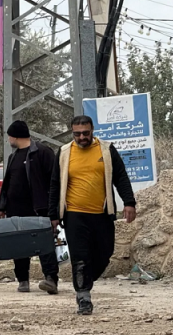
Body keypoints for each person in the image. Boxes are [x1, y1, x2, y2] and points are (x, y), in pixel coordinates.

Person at [49, 115, 136, 315]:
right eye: (77, 134)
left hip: (102, 214)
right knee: (80, 258)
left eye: (85, 133)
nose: (82, 137)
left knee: (104, 254)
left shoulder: (106, 149)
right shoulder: (63, 153)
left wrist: (129, 202)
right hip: (74, 215)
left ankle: (85, 281)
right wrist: (53, 214)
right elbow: (55, 184)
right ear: (72, 133)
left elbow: (120, 176)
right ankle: (84, 297)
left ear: (92, 130)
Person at [0, 121, 59, 294]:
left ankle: (51, 279)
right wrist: (1, 207)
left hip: (38, 209)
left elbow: (54, 183)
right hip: (16, 211)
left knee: (44, 244)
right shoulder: (13, 156)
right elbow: (7, 184)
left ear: (14, 136)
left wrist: (53, 210)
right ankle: (23, 280)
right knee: (19, 245)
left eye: (9, 136)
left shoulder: (43, 153)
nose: (8, 139)